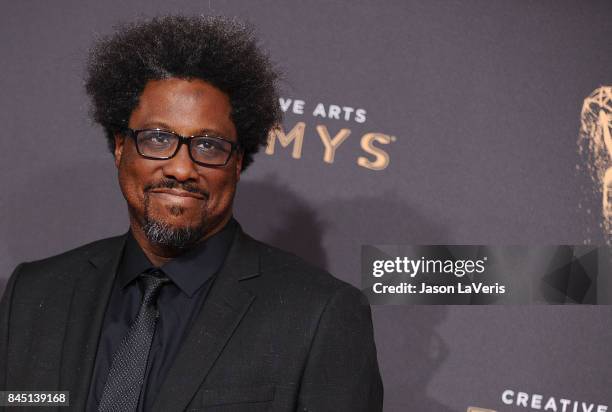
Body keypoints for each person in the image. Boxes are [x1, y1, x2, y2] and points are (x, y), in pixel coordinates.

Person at [0, 15, 383, 411]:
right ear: (119, 147)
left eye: (208, 146)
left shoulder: (320, 315)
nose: (181, 169)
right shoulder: (36, 292)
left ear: (237, 163)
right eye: (158, 138)